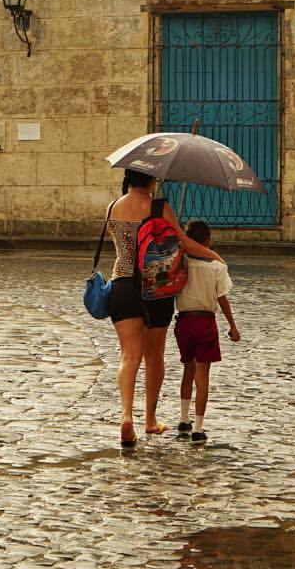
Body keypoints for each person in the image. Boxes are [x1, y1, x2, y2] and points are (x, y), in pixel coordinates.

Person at [106, 169, 223, 447]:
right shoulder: (159, 206)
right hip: (155, 287)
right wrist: (214, 255)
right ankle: (149, 419)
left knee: (128, 356)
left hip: (122, 285)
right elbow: (185, 243)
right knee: (154, 355)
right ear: (151, 180)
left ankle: (126, 417)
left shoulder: (114, 207)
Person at [174, 219, 239, 444]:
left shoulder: (179, 263)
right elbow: (222, 299)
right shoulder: (217, 267)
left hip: (184, 322)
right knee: (203, 377)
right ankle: (199, 428)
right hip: (205, 323)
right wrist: (232, 326)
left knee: (187, 370)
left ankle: (184, 418)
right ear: (208, 241)